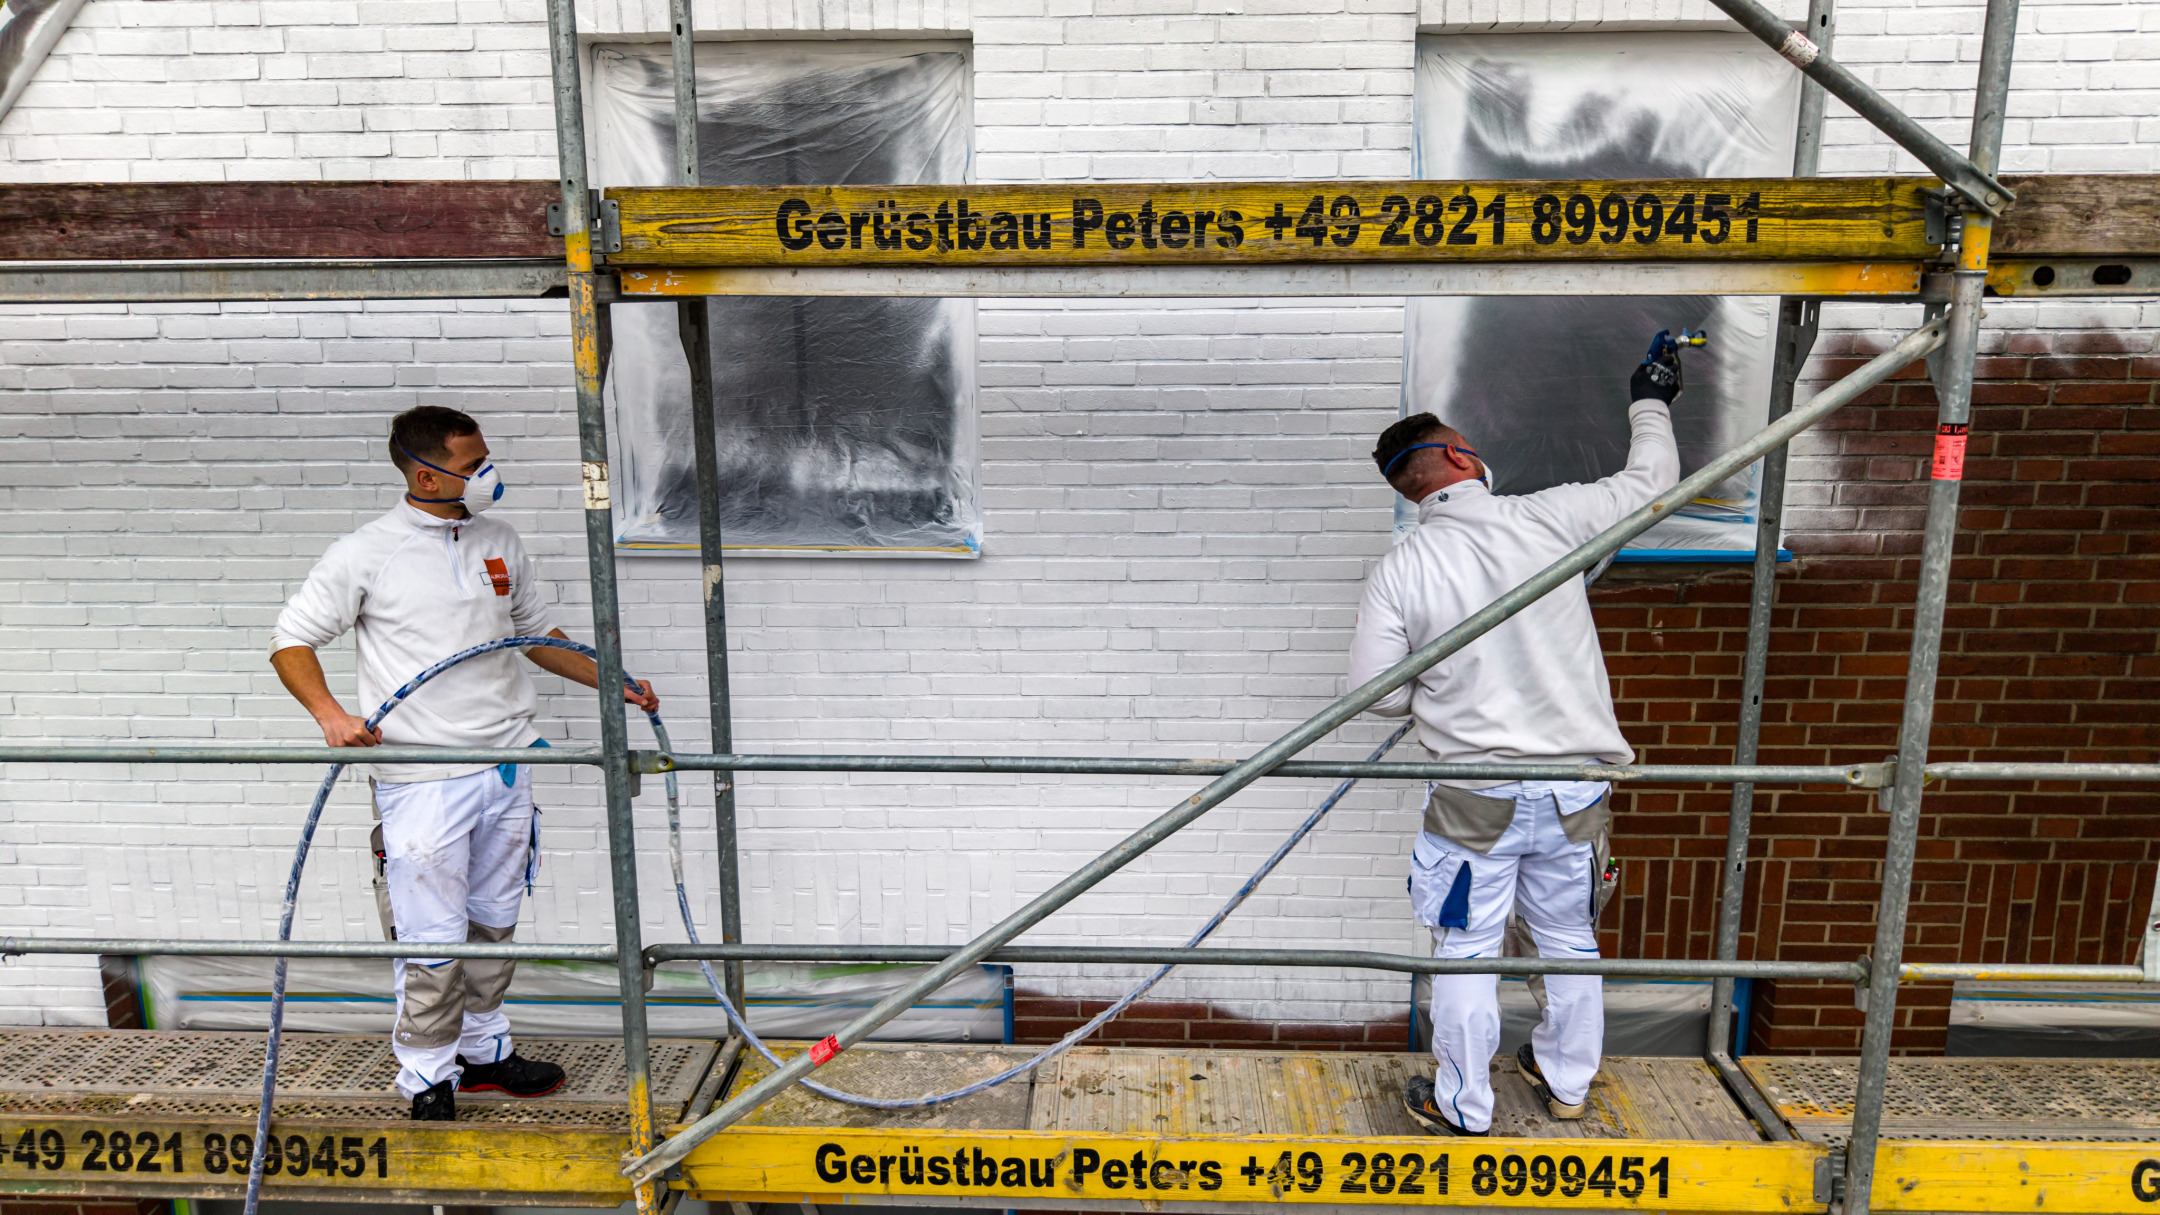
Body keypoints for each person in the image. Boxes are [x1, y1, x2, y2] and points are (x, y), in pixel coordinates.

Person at [270, 405, 659, 1121]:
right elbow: (291, 639)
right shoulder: (366, 553)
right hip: (424, 779)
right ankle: (426, 1076)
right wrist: (331, 715)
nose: (488, 472)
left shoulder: (498, 540)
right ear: (427, 475)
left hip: (505, 766)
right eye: (473, 463)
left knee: (492, 925)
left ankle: (483, 1052)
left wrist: (613, 679)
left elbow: (535, 635)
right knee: (432, 941)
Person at [1349, 343, 1683, 1136]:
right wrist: (1651, 399)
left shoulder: (1401, 569)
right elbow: (1653, 484)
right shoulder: (1548, 518)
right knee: (1567, 936)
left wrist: (1441, 694)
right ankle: (1567, 1084)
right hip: (1574, 786)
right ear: (1459, 458)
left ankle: (1464, 1107)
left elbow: (1377, 696)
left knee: (1467, 947)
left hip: (1476, 793)